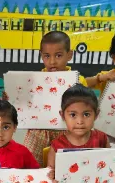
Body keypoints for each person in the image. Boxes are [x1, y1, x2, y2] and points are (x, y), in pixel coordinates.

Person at [23, 31, 88, 166]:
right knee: (29, 163)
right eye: (47, 56)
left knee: (65, 166)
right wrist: (12, 99)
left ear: (69, 55)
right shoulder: (35, 79)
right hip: (39, 130)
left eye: (58, 55)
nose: (52, 61)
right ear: (41, 55)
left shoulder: (78, 80)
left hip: (67, 130)